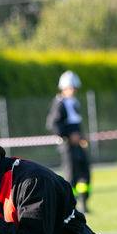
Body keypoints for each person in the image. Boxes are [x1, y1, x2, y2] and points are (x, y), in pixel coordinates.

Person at [46, 70, 92, 213]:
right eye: (71, 88)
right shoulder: (59, 104)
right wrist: (68, 136)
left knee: (85, 174)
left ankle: (84, 204)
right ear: (64, 88)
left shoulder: (74, 103)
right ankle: (71, 206)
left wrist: (82, 137)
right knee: (71, 176)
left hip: (79, 145)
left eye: (75, 88)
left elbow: (76, 124)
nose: (73, 91)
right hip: (67, 147)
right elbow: (53, 124)